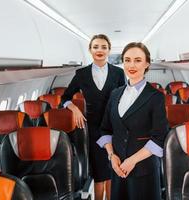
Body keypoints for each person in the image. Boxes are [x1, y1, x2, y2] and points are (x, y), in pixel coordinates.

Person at [97, 42, 168, 200]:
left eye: (137, 60)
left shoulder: (155, 97)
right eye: (127, 60)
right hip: (117, 168)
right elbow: (105, 129)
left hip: (143, 170)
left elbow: (160, 137)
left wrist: (131, 161)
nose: (132, 65)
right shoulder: (115, 94)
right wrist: (111, 156)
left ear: (147, 63)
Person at [61, 34, 125, 200]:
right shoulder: (81, 74)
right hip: (93, 128)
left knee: (112, 170)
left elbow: (124, 99)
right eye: (96, 46)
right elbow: (65, 97)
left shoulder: (118, 73)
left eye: (104, 47)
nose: (100, 50)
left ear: (109, 50)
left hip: (114, 127)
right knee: (98, 173)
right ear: (90, 50)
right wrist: (74, 108)